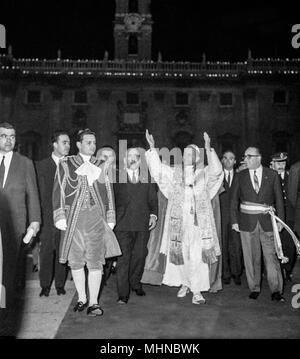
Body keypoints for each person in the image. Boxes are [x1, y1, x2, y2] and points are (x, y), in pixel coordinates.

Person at [145, 130, 223, 304]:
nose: (187, 155)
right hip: (179, 222)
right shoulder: (175, 172)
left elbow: (217, 172)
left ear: (196, 157)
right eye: (185, 153)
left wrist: (208, 148)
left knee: (196, 255)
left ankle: (196, 291)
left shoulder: (204, 173)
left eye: (191, 153)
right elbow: (158, 172)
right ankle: (185, 283)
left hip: (198, 222)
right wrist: (152, 148)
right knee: (182, 254)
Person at [52, 129, 121, 316]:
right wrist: (59, 216)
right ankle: (82, 297)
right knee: (76, 261)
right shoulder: (66, 163)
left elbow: (108, 191)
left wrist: (110, 216)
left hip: (96, 218)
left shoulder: (101, 164)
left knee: (96, 261)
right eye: (89, 142)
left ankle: (93, 302)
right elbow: (59, 189)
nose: (93, 145)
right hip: (74, 218)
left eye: (94, 142)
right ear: (79, 145)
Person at [0, 122, 41, 335]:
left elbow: (33, 194)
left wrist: (34, 223)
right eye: (4, 136)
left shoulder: (24, 163)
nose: (9, 140)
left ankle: (5, 321)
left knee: (8, 276)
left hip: (13, 228)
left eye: (12, 136)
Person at [230, 147, 285, 302]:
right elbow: (234, 200)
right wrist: (234, 221)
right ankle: (254, 287)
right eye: (245, 156)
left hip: (268, 222)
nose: (245, 159)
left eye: (249, 156)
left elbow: (279, 200)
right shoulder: (240, 176)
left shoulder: (272, 175)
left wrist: (280, 221)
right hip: (247, 222)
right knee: (251, 257)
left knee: (271, 256)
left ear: (259, 158)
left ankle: (276, 290)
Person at [114, 147, 158, 304]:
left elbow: (153, 200)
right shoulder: (116, 177)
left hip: (141, 224)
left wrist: (153, 215)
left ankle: (135, 283)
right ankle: (122, 294)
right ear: (125, 159)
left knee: (140, 255)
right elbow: (110, 200)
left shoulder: (148, 178)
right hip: (122, 225)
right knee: (123, 259)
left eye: (136, 156)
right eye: (129, 156)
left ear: (140, 160)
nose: (133, 159)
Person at [36, 130, 70, 297]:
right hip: (47, 217)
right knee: (46, 251)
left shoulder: (72, 166)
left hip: (67, 217)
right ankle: (45, 285)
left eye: (69, 143)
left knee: (63, 251)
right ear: (55, 144)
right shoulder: (41, 166)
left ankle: (60, 284)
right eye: (64, 142)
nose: (68, 146)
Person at [270, 152, 296, 282]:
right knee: (277, 245)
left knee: (290, 245)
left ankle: (288, 269)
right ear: (272, 164)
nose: (281, 165)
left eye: (283, 162)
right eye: (278, 162)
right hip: (275, 217)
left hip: (290, 216)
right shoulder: (269, 177)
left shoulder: (291, 176)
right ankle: (280, 271)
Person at [219, 151, 243, 285]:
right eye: (226, 158)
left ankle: (236, 273)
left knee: (236, 246)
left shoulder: (241, 177)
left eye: (231, 159)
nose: (228, 161)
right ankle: (225, 273)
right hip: (221, 215)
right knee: (223, 244)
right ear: (222, 160)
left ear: (235, 161)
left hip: (236, 217)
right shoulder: (217, 176)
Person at [96, 146, 118, 283]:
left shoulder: (120, 175)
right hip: (96, 219)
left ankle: (105, 275)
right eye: (104, 157)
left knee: (110, 252)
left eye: (111, 157)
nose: (108, 160)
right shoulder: (91, 175)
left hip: (115, 219)